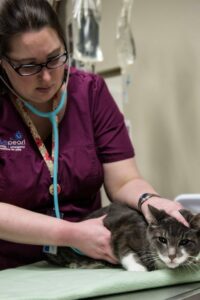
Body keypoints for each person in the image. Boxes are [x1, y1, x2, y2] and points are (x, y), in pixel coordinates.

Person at [0, 0, 187, 270]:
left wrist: (150, 201)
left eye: (55, 58)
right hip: (9, 272)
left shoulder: (90, 93)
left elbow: (124, 181)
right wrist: (70, 234)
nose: (47, 78)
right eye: (28, 66)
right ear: (4, 63)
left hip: (89, 262)